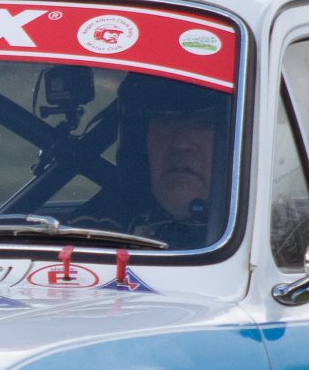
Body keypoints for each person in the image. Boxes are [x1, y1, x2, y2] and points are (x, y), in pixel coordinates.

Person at [98, 74, 229, 247]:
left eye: (205, 123)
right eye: (166, 120)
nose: (181, 143)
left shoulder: (270, 236)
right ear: (141, 143)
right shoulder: (91, 235)